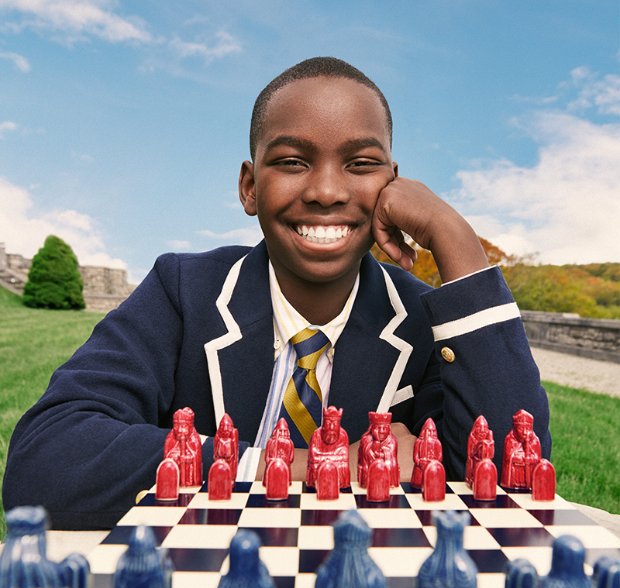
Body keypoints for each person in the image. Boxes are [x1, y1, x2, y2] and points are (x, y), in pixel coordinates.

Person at [2, 56, 550, 529]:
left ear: (393, 182)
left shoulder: (422, 320)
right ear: (249, 186)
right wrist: (300, 465)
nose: (327, 191)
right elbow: (44, 464)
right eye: (292, 162)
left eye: (361, 165)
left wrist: (454, 239)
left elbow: (511, 478)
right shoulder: (182, 291)